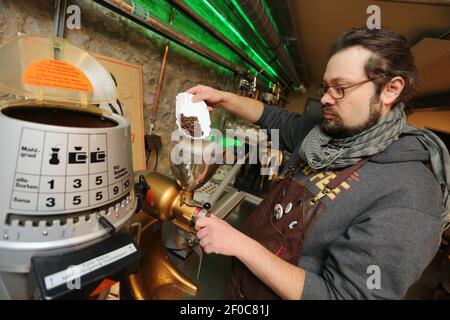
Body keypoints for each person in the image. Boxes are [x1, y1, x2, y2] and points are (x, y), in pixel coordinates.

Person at [187, 27, 450, 300]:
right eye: (327, 87)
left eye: (340, 88)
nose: (325, 98)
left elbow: (344, 296)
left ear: (390, 89)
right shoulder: (323, 135)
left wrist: (240, 245)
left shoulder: (411, 198)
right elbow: (273, 118)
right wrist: (223, 98)